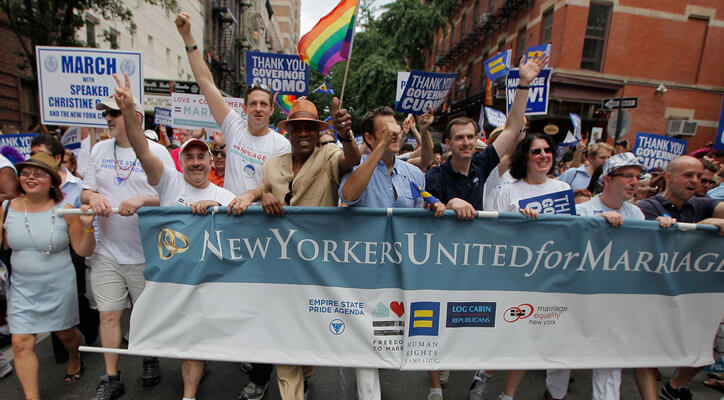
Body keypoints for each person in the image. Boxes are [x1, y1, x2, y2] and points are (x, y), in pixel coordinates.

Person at [176, 11, 292, 399]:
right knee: (228, 297)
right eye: (252, 103)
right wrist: (188, 36)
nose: (258, 109)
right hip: (229, 226)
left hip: (264, 231)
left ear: (272, 110)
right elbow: (205, 80)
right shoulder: (233, 127)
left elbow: (275, 186)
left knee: (261, 303)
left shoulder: (280, 144)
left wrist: (251, 195)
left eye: (264, 104)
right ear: (243, 107)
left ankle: (259, 378)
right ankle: (242, 352)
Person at [115, 72, 235, 400]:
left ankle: (189, 395)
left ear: (211, 161)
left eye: (201, 157)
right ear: (180, 162)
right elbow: (142, 150)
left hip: (205, 282)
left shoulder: (224, 195)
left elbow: (238, 236)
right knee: (183, 340)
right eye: (190, 157)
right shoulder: (169, 182)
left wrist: (216, 209)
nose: (196, 162)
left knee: (192, 341)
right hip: (169, 279)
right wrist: (127, 111)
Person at [231, 98, 360, 400]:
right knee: (286, 348)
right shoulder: (272, 165)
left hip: (318, 272)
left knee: (311, 349)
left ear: (317, 133)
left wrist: (347, 134)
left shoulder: (330, 155)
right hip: (280, 272)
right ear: (288, 132)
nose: (303, 133)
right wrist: (258, 196)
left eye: (309, 128)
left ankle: (305, 370)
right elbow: (264, 189)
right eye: (297, 128)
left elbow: (352, 159)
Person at [337, 105, 444, 400]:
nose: (396, 134)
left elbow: (423, 202)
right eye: (386, 131)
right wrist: (381, 147)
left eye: (396, 128)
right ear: (369, 138)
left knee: (393, 340)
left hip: (402, 275)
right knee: (366, 344)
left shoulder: (412, 174)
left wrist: (436, 205)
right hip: (366, 276)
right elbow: (348, 196)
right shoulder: (356, 170)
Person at [547, 153, 673, 400]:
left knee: (611, 359)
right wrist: (596, 225)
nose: (634, 182)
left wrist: (662, 229)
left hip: (616, 299)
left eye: (637, 177)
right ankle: (553, 395)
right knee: (563, 357)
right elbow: (561, 251)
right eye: (627, 176)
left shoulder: (636, 214)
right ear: (607, 179)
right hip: (578, 297)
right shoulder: (582, 210)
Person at [82, 94, 175, 400]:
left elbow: (173, 198)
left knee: (143, 314)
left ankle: (149, 356)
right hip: (107, 250)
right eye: (106, 114)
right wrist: (92, 198)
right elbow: (86, 191)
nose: (108, 118)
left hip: (146, 252)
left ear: (134, 117)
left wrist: (141, 200)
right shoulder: (97, 149)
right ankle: (111, 377)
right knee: (109, 315)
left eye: (115, 113)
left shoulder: (158, 151)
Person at [2, 152, 96, 400]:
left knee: (65, 334)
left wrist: (87, 226)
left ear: (52, 181)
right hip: (22, 287)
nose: (30, 177)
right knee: (21, 341)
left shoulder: (66, 210)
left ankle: (75, 356)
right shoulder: (5, 208)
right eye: (26, 172)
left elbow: (84, 250)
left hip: (58, 285)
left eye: (39, 173)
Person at [490, 133, 572, 400]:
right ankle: (485, 374)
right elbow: (495, 236)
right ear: (524, 156)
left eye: (547, 150)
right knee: (509, 338)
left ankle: (550, 394)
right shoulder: (508, 191)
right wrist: (519, 223)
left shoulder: (563, 190)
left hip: (554, 277)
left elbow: (572, 234)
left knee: (556, 340)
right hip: (517, 279)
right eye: (536, 151)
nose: (544, 155)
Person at [635, 155, 723, 400]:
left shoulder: (702, 204)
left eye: (700, 177)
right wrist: (702, 230)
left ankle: (674, 388)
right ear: (668, 177)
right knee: (646, 352)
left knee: (708, 347)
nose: (695, 181)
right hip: (654, 292)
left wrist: (710, 221)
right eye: (688, 176)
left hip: (693, 294)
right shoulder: (648, 208)